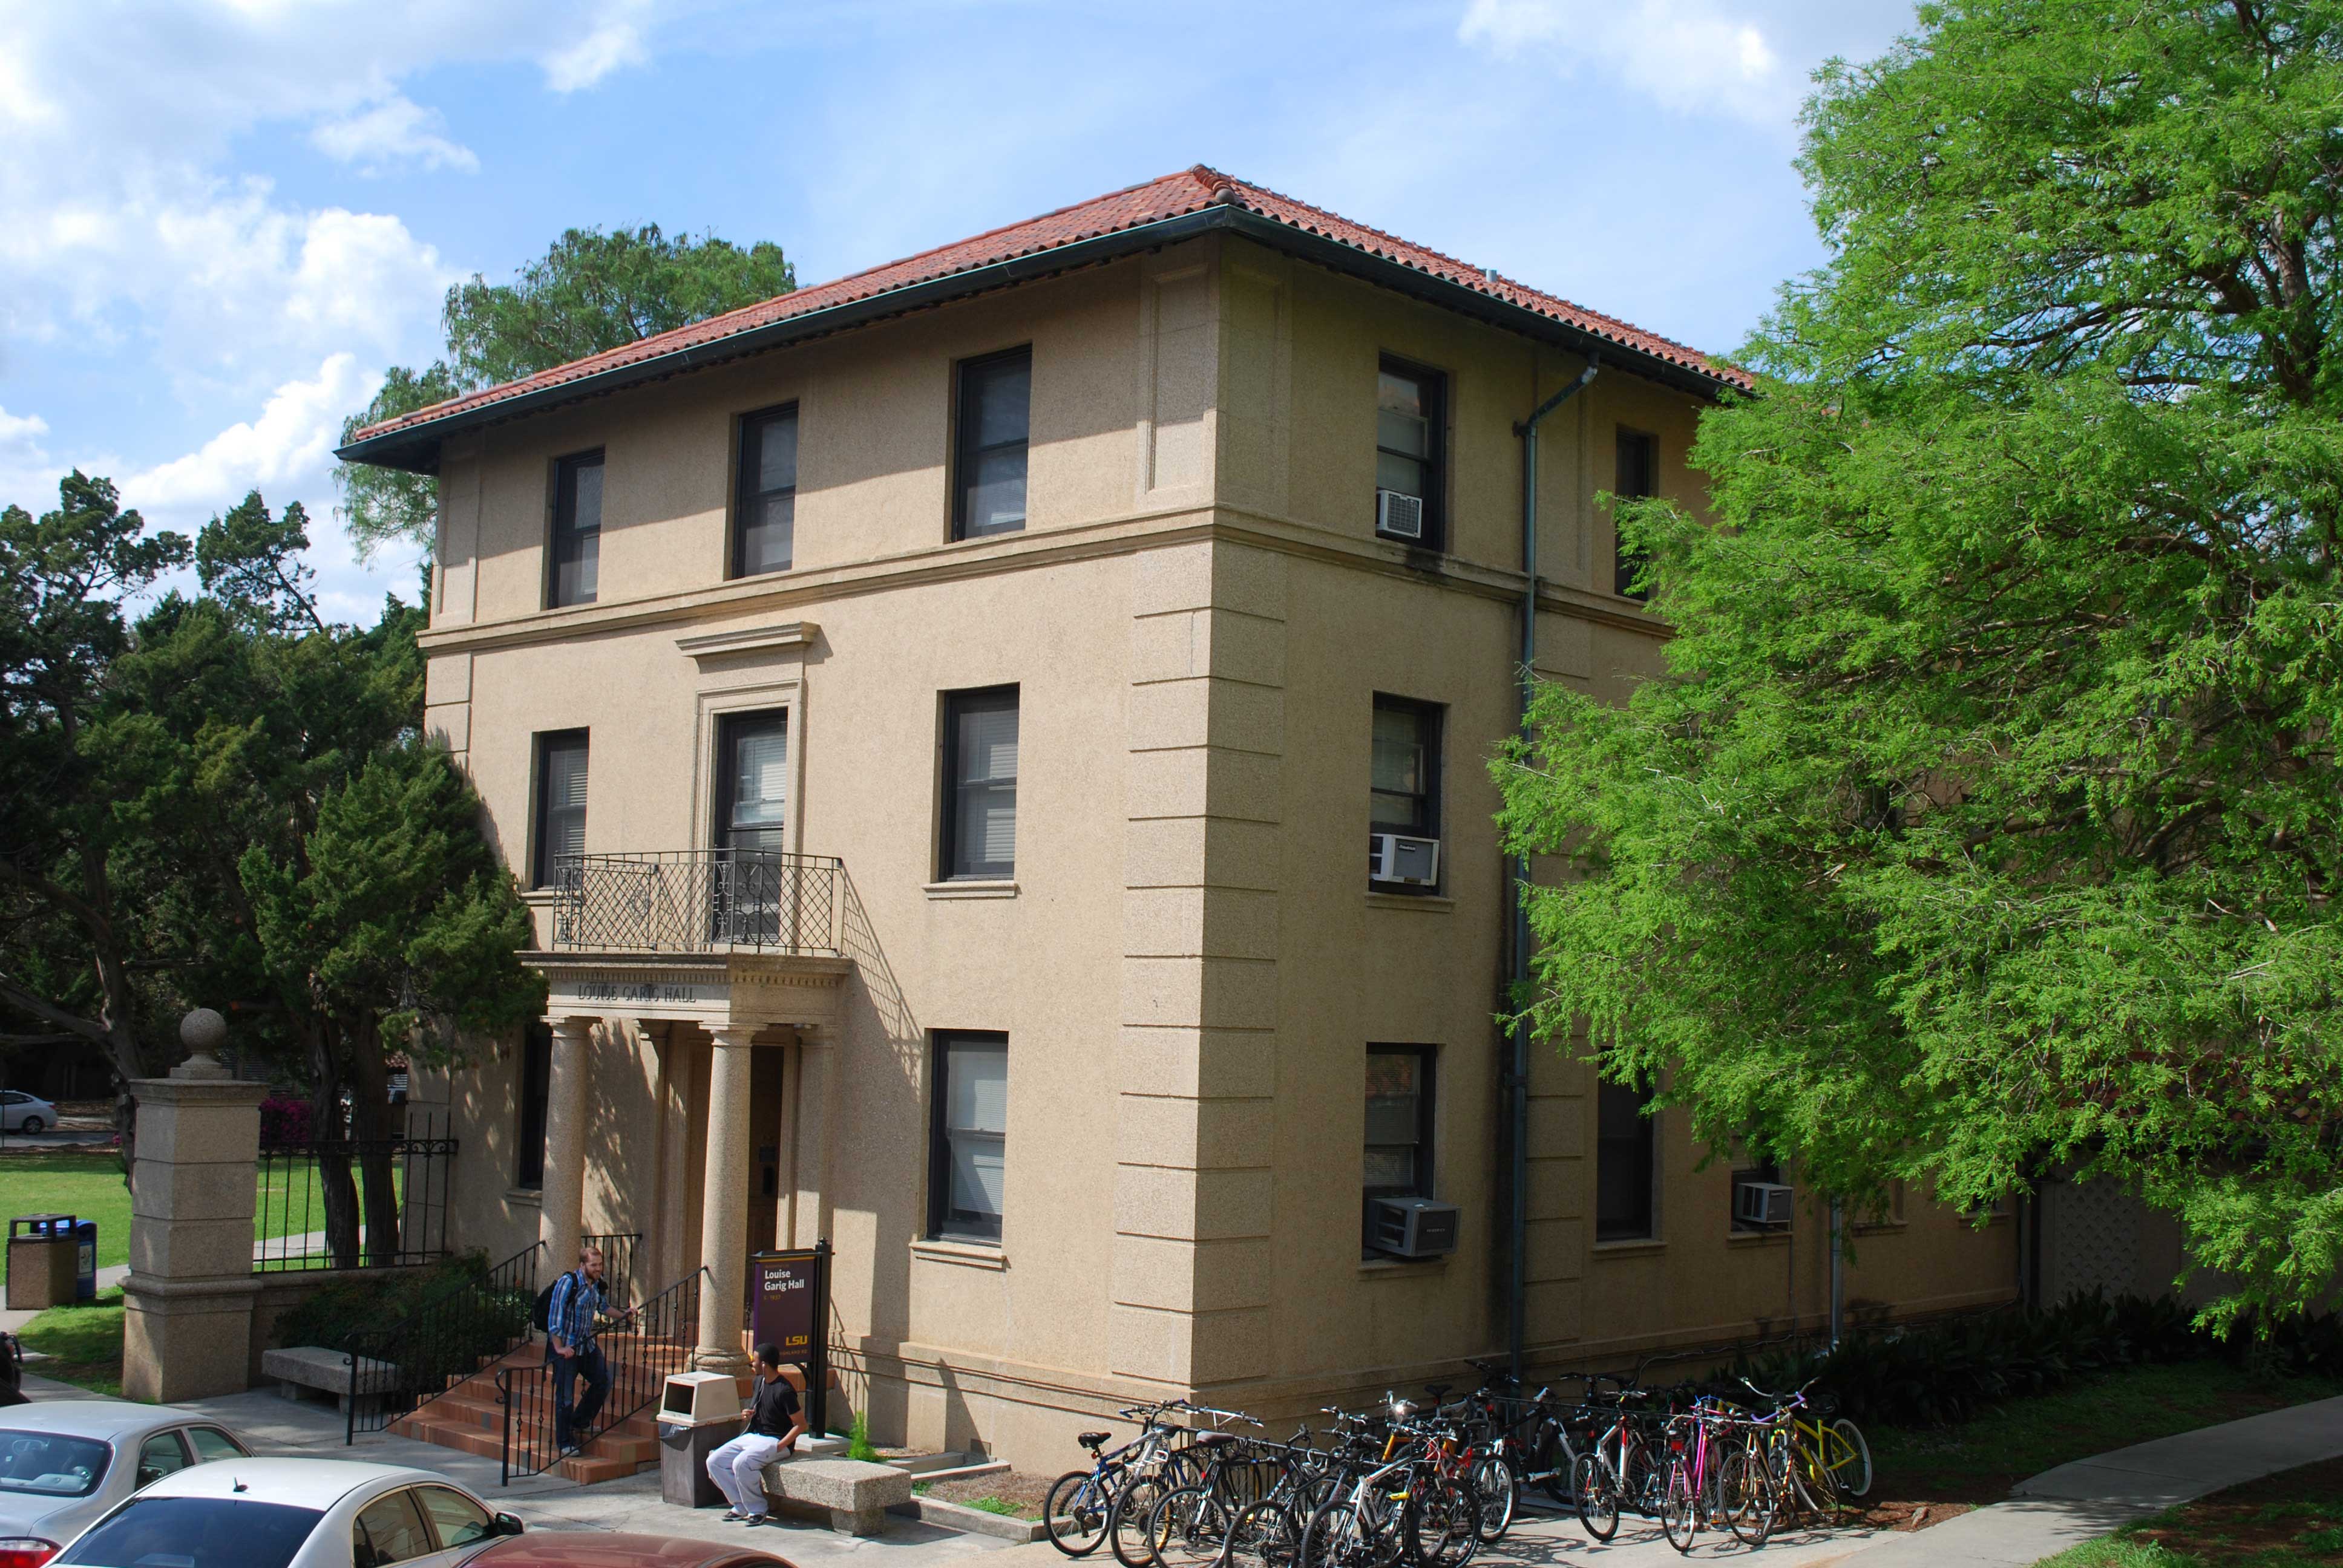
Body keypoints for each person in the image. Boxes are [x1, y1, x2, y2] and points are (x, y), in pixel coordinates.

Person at [545, 1244, 632, 1454]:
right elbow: (554, 1317)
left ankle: (580, 1422)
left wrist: (624, 1315)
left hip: (586, 1345)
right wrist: (559, 1347)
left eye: (600, 1265)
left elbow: (602, 1307)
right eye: (594, 1265)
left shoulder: (595, 1285)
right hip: (567, 1347)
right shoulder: (568, 1283)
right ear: (582, 1265)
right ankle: (565, 1442)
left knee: (603, 1380)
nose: (598, 1269)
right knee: (565, 1397)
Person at [707, 1342, 808, 1523]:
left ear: (764, 1365)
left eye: (754, 1360)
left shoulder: (784, 1391)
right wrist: (747, 1414)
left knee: (741, 1463)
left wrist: (780, 1446)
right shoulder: (759, 1382)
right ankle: (740, 1505)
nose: (751, 1364)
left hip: (775, 1441)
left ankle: (758, 1510)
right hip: (755, 1437)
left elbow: (801, 1425)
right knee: (714, 1461)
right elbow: (758, 1409)